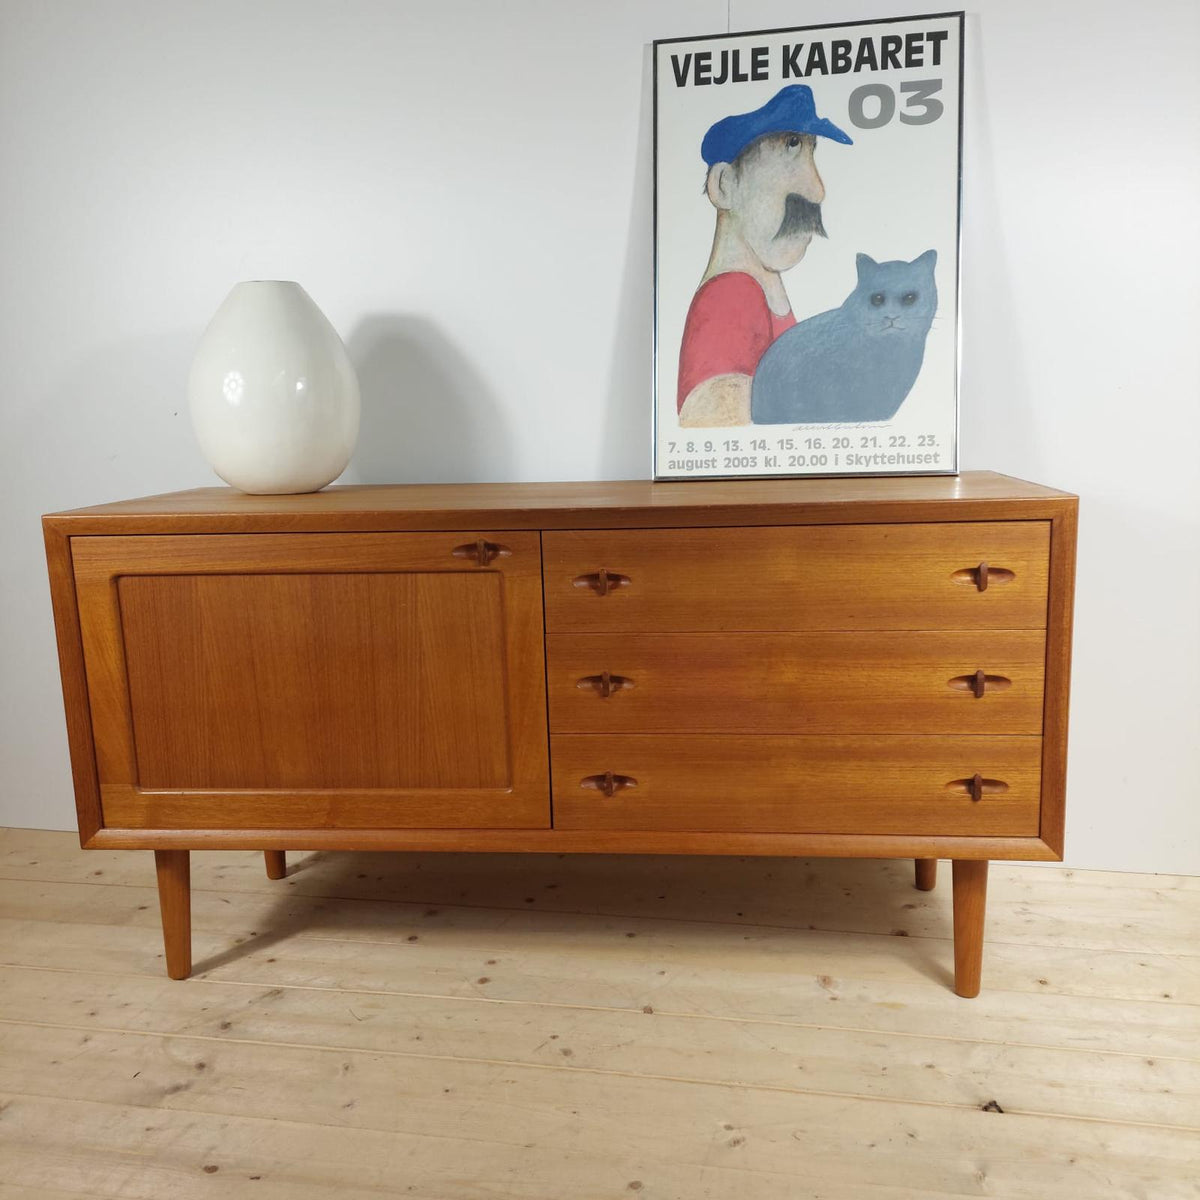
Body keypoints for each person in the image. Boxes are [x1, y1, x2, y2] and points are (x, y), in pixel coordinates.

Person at [677, 85, 852, 427]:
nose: (818, 190)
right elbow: (705, 421)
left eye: (809, 151)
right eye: (790, 148)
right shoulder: (732, 296)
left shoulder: (762, 290)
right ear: (724, 185)